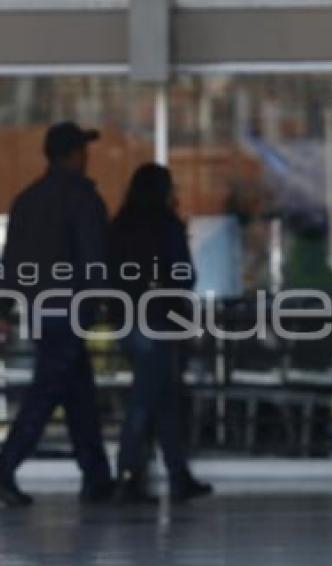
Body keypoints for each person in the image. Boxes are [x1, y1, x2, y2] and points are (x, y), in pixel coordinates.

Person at [0, 121, 114, 506]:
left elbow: (8, 262)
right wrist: (98, 304)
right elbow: (94, 258)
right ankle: (1, 470)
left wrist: (3, 308)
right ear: (73, 155)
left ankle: (97, 477)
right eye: (83, 150)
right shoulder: (81, 197)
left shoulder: (28, 199)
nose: (88, 157)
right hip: (70, 310)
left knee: (77, 393)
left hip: (41, 312)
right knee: (46, 395)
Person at [107, 163, 211, 503]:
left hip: (127, 320)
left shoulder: (120, 226)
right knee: (147, 399)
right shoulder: (166, 226)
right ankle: (127, 473)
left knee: (161, 398)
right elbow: (184, 276)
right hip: (158, 321)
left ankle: (176, 474)